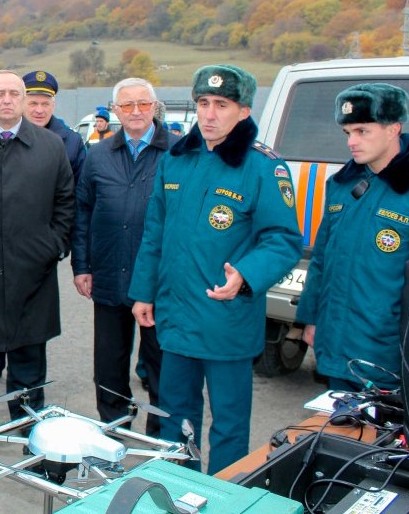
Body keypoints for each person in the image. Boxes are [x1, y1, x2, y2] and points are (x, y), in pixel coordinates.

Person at [128, 64, 302, 475]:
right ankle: (175, 489)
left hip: (226, 320)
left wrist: (245, 274)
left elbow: (282, 239)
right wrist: (143, 291)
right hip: (176, 317)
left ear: (243, 111)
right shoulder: (177, 160)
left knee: (228, 427)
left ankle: (223, 495)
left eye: (221, 105)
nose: (209, 114)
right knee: (175, 419)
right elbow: (156, 232)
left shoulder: (262, 167)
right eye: (203, 103)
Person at [0, 70, 75, 421]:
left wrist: (53, 246)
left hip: (33, 273)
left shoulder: (50, 147)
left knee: (28, 359)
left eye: (14, 94)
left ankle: (29, 426)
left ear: (23, 100)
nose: (7, 100)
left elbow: (66, 202)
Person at [297, 83, 409, 391]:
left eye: (362, 131)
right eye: (347, 133)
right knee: (341, 432)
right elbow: (322, 258)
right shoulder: (342, 185)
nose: (352, 142)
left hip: (390, 350)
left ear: (393, 128)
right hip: (337, 342)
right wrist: (312, 318)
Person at [72, 77, 170, 436]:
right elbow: (82, 212)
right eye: (127, 105)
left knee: (160, 362)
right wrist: (81, 265)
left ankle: (160, 436)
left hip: (159, 281)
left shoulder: (177, 152)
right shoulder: (98, 154)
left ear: (154, 106)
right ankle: (114, 427)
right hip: (110, 273)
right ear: (115, 110)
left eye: (143, 104)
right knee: (110, 363)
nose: (135, 112)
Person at [22, 70, 87, 184]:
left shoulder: (72, 142)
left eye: (45, 104)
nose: (39, 110)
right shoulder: (8, 136)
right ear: (21, 104)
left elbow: (82, 188)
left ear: (53, 106)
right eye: (33, 104)